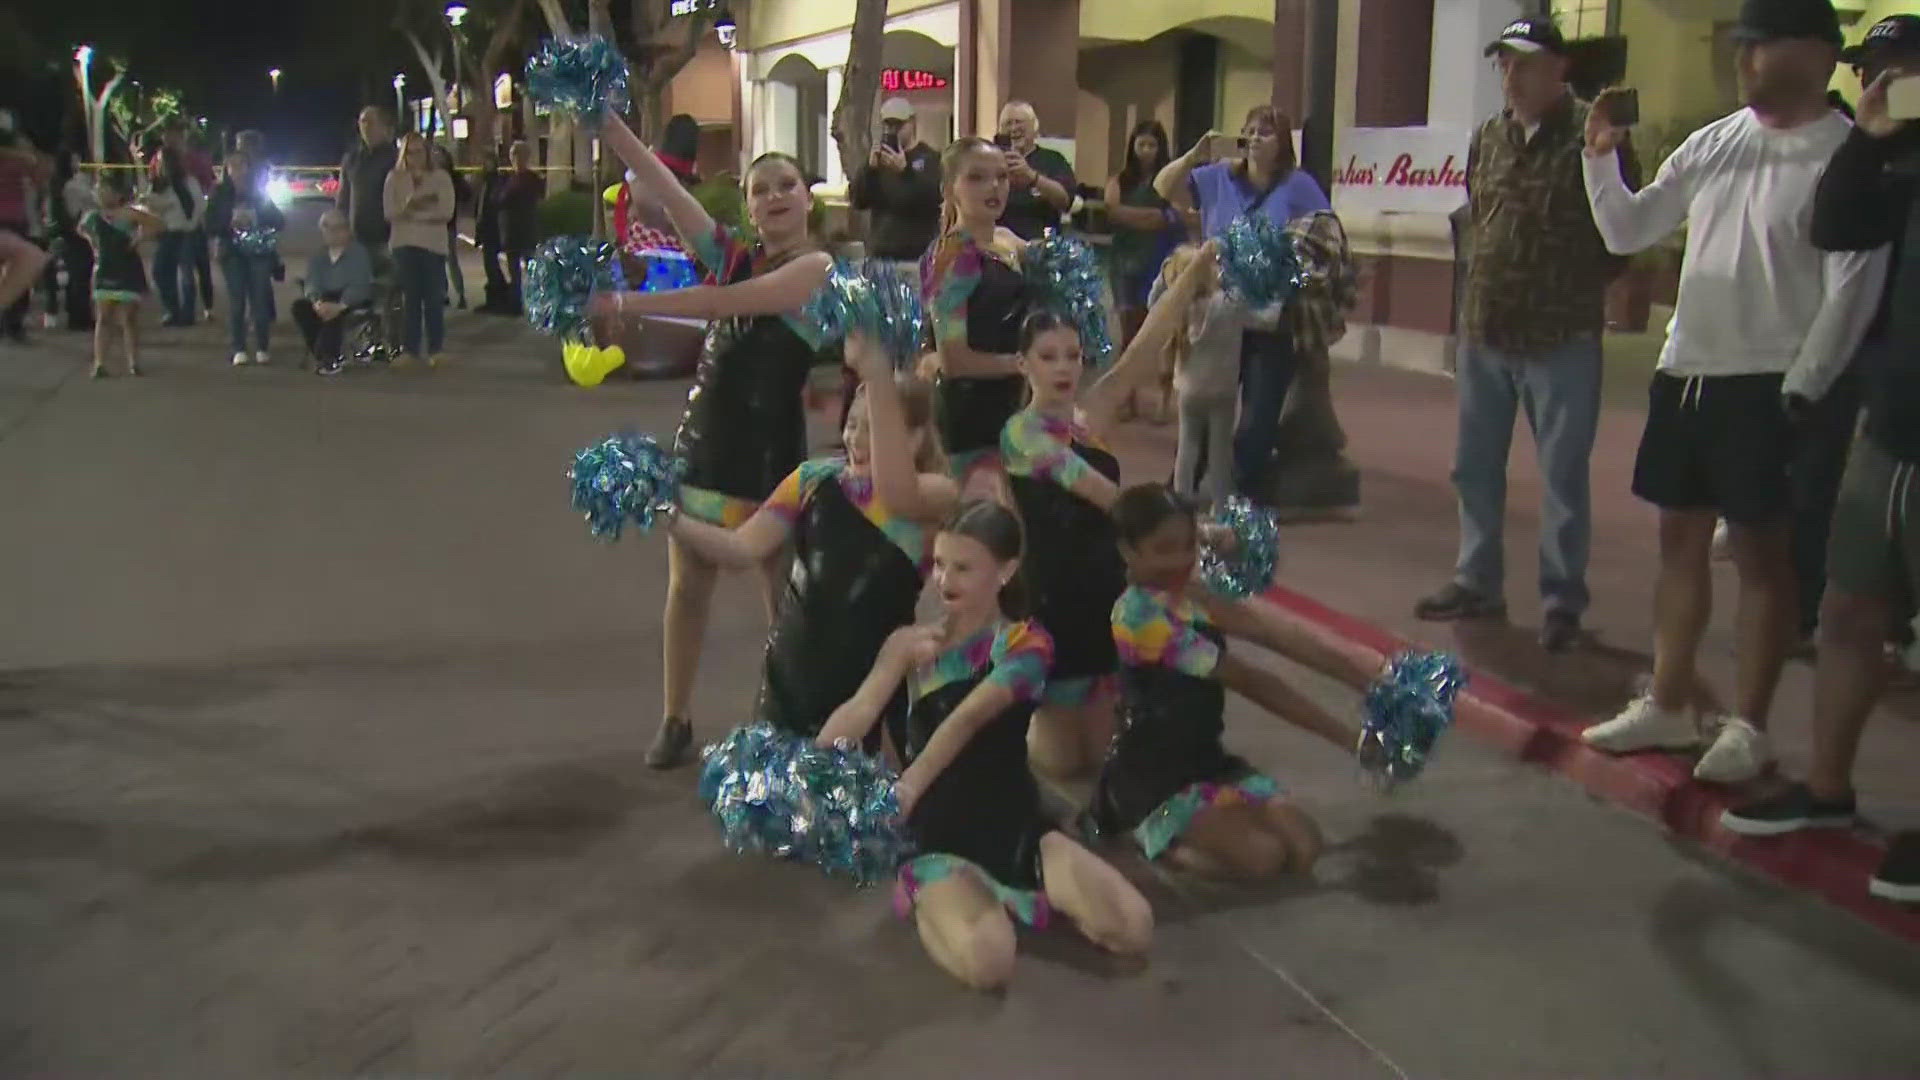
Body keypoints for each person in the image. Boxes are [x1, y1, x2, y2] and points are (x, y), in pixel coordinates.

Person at [1577, 0, 1887, 783]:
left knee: (1762, 559)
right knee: (1678, 543)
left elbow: (1852, 288)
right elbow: (1628, 231)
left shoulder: (1848, 155)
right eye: (1741, 49)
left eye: (1760, 48)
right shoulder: (1717, 141)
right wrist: (1599, 162)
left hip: (1773, 379)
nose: (1744, 63)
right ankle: (1672, 701)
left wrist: (1806, 389)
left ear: (1817, 55)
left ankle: (1749, 724)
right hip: (1689, 371)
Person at [1720, 14, 1920, 904]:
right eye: (1882, 71)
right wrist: (1871, 142)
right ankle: (1830, 793)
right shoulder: (1896, 158)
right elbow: (1837, 227)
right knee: (1846, 609)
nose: (1896, 84)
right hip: (1892, 424)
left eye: (1910, 70)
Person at [815, 500, 1153, 991]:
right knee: (990, 964)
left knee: (1134, 928)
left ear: (1006, 571)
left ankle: (1010, 892)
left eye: (964, 567)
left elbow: (966, 720)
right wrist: (812, 762)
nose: (944, 579)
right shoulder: (910, 642)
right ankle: (929, 892)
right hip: (939, 831)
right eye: (939, 564)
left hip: (1014, 823)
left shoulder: (1026, 645)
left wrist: (906, 786)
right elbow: (857, 714)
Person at [588, 108, 837, 769]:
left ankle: (789, 720)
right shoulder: (734, 255)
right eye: (762, 189)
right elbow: (671, 198)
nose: (776, 196)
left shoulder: (815, 270)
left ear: (808, 198)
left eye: (786, 184)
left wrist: (623, 305)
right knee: (688, 585)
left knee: (782, 595)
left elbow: (724, 304)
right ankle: (675, 718)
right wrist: (611, 128)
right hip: (705, 439)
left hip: (771, 454)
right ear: (750, 208)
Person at [1414, 16, 1639, 653]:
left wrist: (1568, 284)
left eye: (1525, 64)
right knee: (1474, 466)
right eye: (1504, 65)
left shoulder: (1593, 136)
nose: (1511, 77)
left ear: (1559, 69)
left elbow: (1623, 232)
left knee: (1562, 474)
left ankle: (1562, 599)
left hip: (1560, 335)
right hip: (1486, 329)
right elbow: (1477, 217)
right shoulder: (1490, 137)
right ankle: (1476, 578)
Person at [1001, 247, 1220, 780]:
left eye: (1072, 355)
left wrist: (1192, 272)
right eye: (1049, 356)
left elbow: (1145, 349)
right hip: (1051, 600)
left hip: (1104, 594)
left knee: (1101, 765)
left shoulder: (1088, 418)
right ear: (1023, 364)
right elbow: (1107, 497)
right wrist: (1196, 531)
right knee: (1059, 766)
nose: (1063, 368)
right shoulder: (1023, 434)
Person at [667, 348, 956, 746]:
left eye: (872, 428)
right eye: (852, 425)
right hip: (789, 679)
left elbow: (900, 493)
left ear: (915, 436)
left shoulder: (933, 495)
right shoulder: (812, 479)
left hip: (864, 687)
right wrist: (671, 518)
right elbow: (741, 549)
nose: (856, 439)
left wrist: (875, 371)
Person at [1091, 483, 1366, 876]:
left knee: (1306, 848)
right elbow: (1250, 681)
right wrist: (1348, 739)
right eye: (1164, 549)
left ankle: (1215, 821)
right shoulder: (1137, 618)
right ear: (1127, 551)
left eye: (1188, 545)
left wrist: (1369, 681)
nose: (1181, 560)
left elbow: (1277, 635)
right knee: (1264, 857)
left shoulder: (1192, 592)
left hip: (1206, 759)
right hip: (1152, 778)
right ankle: (1146, 832)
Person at [1154, 105, 1331, 496]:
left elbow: (1325, 233)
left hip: (1268, 316)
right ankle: (1180, 492)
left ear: (1283, 143)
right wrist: (1194, 155)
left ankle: (1233, 493)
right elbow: (1163, 188)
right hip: (1217, 312)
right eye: (1248, 130)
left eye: (1264, 132)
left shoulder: (1297, 185)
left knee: (1257, 419)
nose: (1253, 138)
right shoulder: (1219, 177)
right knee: (1200, 406)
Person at [921, 136, 1032, 491]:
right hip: (968, 414)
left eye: (1001, 176)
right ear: (950, 188)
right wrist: (1023, 364)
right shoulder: (954, 256)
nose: (993, 186)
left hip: (1015, 402)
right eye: (977, 178)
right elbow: (954, 360)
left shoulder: (1008, 239)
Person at [1161, 243, 1280, 505]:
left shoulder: (1179, 306)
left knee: (1188, 445)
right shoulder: (1230, 303)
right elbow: (1268, 319)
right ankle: (1220, 502)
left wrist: (1167, 273)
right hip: (1221, 389)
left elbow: (1152, 301)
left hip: (1189, 388)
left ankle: (1181, 498)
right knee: (1219, 450)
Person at [204, 148, 284, 367]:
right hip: (231, 253)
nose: (238, 170)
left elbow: (279, 220)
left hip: (258, 252)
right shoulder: (219, 193)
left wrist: (257, 217)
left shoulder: (259, 192)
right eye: (233, 165)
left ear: (249, 168)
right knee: (237, 301)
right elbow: (208, 225)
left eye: (242, 165)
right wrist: (228, 223)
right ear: (226, 169)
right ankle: (238, 347)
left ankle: (262, 347)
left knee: (259, 300)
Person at [384, 132, 455, 368]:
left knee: (433, 299)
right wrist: (415, 205)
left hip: (432, 246)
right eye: (409, 152)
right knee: (410, 300)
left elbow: (445, 212)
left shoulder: (440, 178)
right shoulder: (394, 178)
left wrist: (413, 212)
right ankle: (410, 350)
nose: (414, 157)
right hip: (404, 245)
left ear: (427, 153)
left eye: (419, 152)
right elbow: (391, 213)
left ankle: (437, 349)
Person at [78, 174, 158, 378]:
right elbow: (81, 229)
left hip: (127, 269)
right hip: (104, 269)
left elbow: (157, 224)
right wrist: (92, 242)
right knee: (103, 318)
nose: (102, 194)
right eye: (99, 190)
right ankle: (100, 363)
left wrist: (138, 239)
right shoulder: (93, 216)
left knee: (129, 318)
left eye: (106, 190)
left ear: (118, 193)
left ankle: (133, 362)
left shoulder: (130, 214)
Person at [850, 97, 942, 268]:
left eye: (898, 125)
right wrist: (869, 170)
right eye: (888, 126)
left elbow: (932, 198)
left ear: (912, 123)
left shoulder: (930, 158)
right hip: (881, 255)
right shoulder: (878, 162)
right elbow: (858, 200)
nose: (893, 131)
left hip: (916, 257)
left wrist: (906, 172)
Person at [294, 209, 374, 375]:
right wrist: (316, 302)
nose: (333, 233)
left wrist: (341, 305)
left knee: (333, 314)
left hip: (351, 299)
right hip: (324, 298)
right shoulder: (319, 255)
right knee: (300, 307)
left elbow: (360, 284)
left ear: (346, 229)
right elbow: (312, 281)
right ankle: (322, 354)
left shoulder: (358, 253)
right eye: (328, 228)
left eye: (338, 228)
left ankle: (328, 358)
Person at [994, 101, 1076, 242]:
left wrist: (1032, 177)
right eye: (1008, 124)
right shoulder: (990, 159)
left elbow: (1065, 202)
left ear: (1034, 128)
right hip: (999, 244)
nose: (1013, 128)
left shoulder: (1053, 159)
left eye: (1019, 122)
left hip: (1040, 245)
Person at [144, 145, 206, 327]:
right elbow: (152, 208)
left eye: (163, 160)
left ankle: (186, 314)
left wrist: (191, 224)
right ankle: (172, 309)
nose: (160, 163)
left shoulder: (188, 182)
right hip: (166, 232)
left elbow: (199, 205)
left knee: (186, 275)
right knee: (161, 272)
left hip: (184, 232)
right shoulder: (157, 184)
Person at [338, 107, 399, 258]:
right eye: (362, 122)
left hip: (387, 239)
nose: (366, 127)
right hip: (356, 237)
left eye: (371, 122)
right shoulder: (351, 159)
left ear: (384, 127)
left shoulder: (396, 159)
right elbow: (343, 198)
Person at [497, 141, 542, 315]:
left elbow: (507, 200)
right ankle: (516, 304)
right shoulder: (508, 179)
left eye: (519, 155)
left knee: (530, 269)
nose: (516, 159)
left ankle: (533, 304)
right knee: (514, 271)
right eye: (513, 156)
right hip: (511, 231)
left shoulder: (531, 179)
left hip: (525, 229)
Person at [432, 142, 469, 310]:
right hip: (432, 223)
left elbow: (465, 193)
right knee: (438, 261)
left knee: (451, 260)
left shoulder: (452, 176)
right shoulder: (430, 176)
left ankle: (460, 294)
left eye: (439, 155)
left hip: (447, 224)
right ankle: (442, 293)